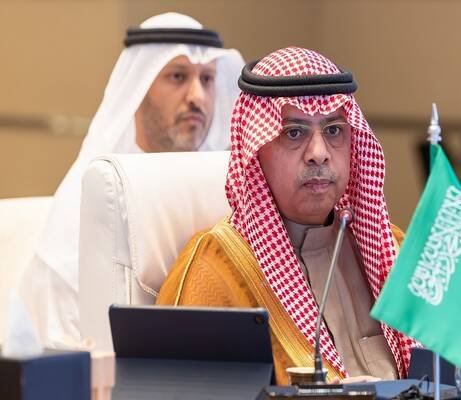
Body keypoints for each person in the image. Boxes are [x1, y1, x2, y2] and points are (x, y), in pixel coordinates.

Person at [156, 47, 417, 384]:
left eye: (333, 130)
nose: (319, 153)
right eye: (294, 133)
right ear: (254, 151)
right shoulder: (214, 270)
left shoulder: (392, 251)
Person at [20, 12, 245, 348]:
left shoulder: (225, 194)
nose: (197, 96)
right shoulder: (90, 198)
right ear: (138, 87)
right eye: (178, 76)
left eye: (207, 79)